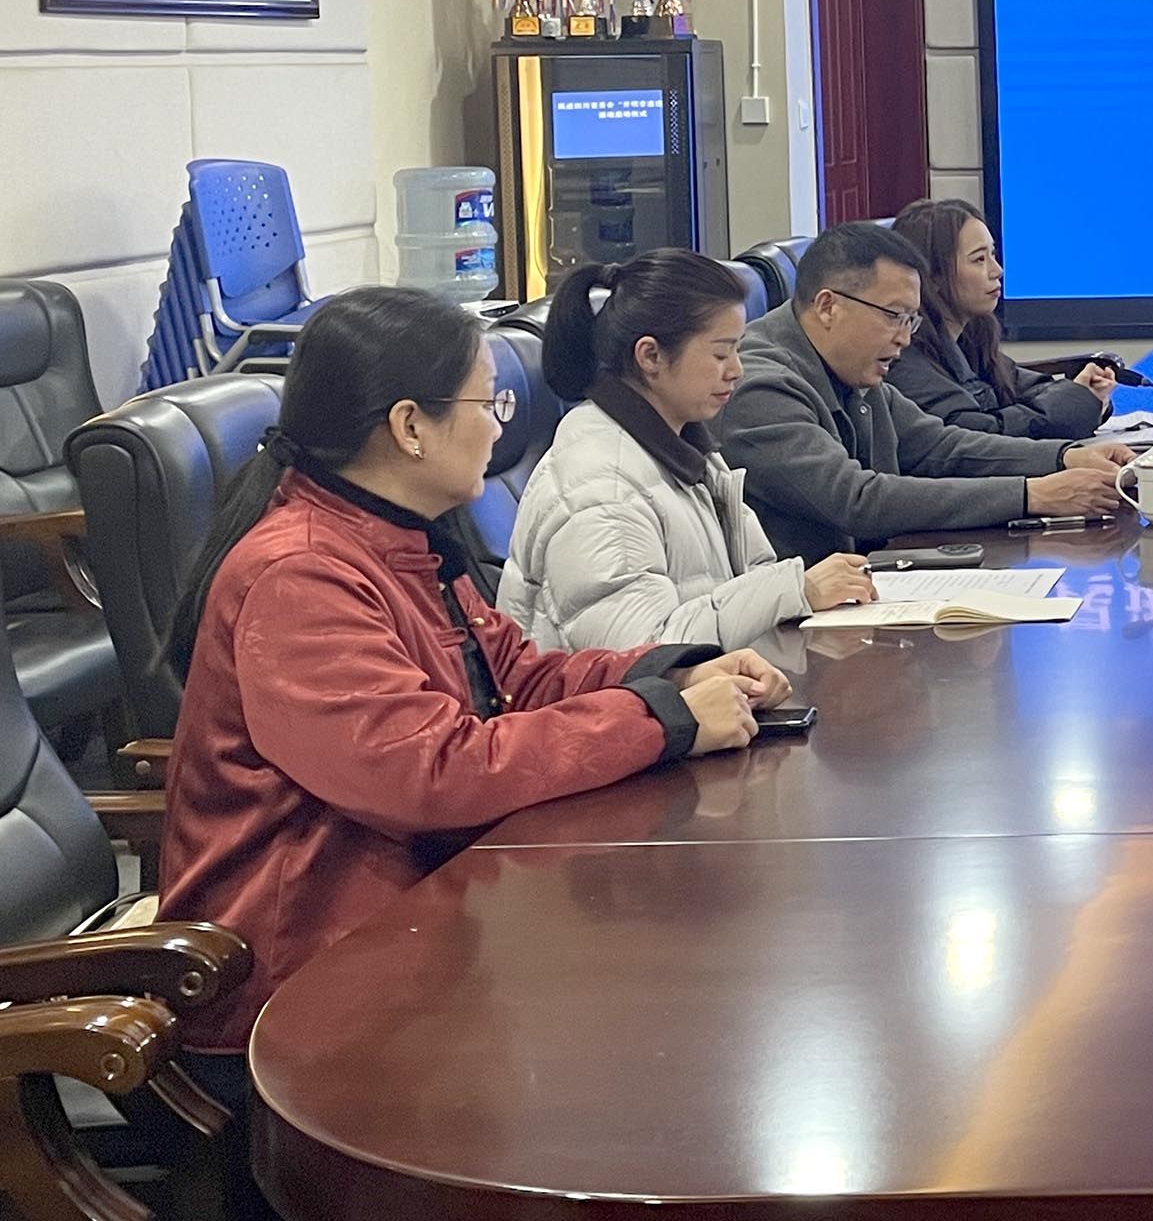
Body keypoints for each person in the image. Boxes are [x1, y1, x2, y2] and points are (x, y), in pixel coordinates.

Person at [159, 287, 792, 1091]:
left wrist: (672, 674)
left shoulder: (396, 537)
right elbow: (427, 774)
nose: (500, 427)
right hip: (298, 991)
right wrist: (661, 720)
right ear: (409, 426)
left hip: (416, 923)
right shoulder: (301, 576)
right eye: (489, 403)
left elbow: (517, 679)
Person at [502, 249, 876, 651]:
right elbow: (644, 652)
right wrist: (795, 590)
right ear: (650, 356)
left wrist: (797, 591)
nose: (736, 370)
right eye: (720, 353)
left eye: (737, 349)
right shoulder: (601, 487)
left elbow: (753, 577)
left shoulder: (688, 447)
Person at [715, 222, 1136, 562]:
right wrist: (1033, 495)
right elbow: (856, 499)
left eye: (911, 320)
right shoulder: (758, 385)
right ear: (828, 306)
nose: (904, 338)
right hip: (797, 619)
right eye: (894, 316)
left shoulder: (851, 365)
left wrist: (1064, 457)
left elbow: (939, 446)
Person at [886, 198, 1111, 440]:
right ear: (933, 276)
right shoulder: (903, 361)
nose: (997, 271)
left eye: (992, 254)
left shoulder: (972, 337)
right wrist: (1079, 401)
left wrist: (1087, 395)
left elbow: (1028, 388)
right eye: (979, 259)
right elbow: (979, 435)